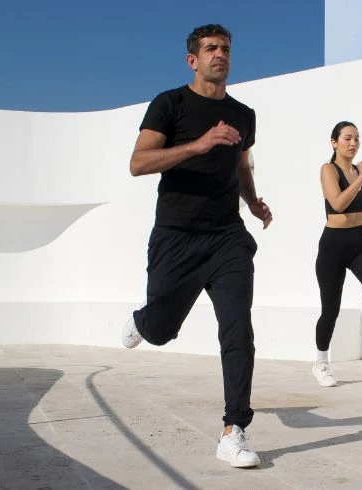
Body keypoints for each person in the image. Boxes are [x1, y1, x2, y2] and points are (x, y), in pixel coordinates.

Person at [121, 23, 272, 468]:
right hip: (177, 235)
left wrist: (253, 203)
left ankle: (233, 429)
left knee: (237, 328)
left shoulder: (243, 114)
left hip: (227, 237)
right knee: (161, 331)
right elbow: (138, 163)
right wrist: (199, 144)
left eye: (225, 48)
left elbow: (240, 164)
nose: (220, 54)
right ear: (193, 59)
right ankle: (144, 321)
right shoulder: (169, 104)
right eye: (210, 48)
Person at [311, 121, 362, 388]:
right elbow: (337, 203)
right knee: (330, 310)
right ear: (334, 142)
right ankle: (321, 363)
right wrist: (361, 177)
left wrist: (361, 218)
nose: (353, 143)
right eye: (347, 138)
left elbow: (357, 204)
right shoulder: (328, 169)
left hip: (360, 242)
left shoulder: (357, 170)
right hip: (333, 245)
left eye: (356, 138)